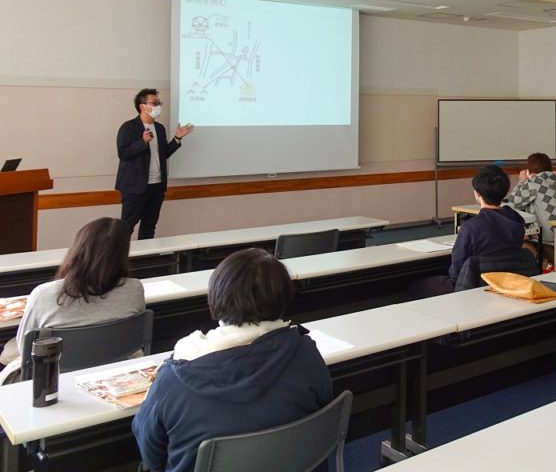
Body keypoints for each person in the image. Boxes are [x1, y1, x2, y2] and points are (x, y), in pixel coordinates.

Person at [133, 248, 332, 472]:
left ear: (216, 294)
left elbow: (151, 456)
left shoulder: (173, 380)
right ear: (284, 294)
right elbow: (323, 409)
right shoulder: (305, 353)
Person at [0, 218, 144, 379]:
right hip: (113, 367)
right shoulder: (134, 288)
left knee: (8, 350)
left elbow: (24, 348)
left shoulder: (44, 294)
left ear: (78, 247)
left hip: (53, 375)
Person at [409, 165, 527, 297]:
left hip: (472, 286)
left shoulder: (471, 227)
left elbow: (456, 272)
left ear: (477, 194)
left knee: (415, 285)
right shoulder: (516, 220)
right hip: (508, 282)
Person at [115, 88, 194, 239]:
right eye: (155, 103)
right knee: (126, 227)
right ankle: (120, 260)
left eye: (159, 103)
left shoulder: (159, 128)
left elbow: (163, 154)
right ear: (142, 106)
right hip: (135, 187)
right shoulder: (128, 127)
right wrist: (142, 142)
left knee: (149, 226)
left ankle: (145, 260)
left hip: (156, 186)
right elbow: (123, 154)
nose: (159, 106)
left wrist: (177, 138)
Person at [506, 152, 556, 254]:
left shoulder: (535, 181)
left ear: (530, 170)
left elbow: (512, 202)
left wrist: (522, 181)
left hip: (547, 236)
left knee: (514, 240)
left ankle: (543, 263)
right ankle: (545, 263)